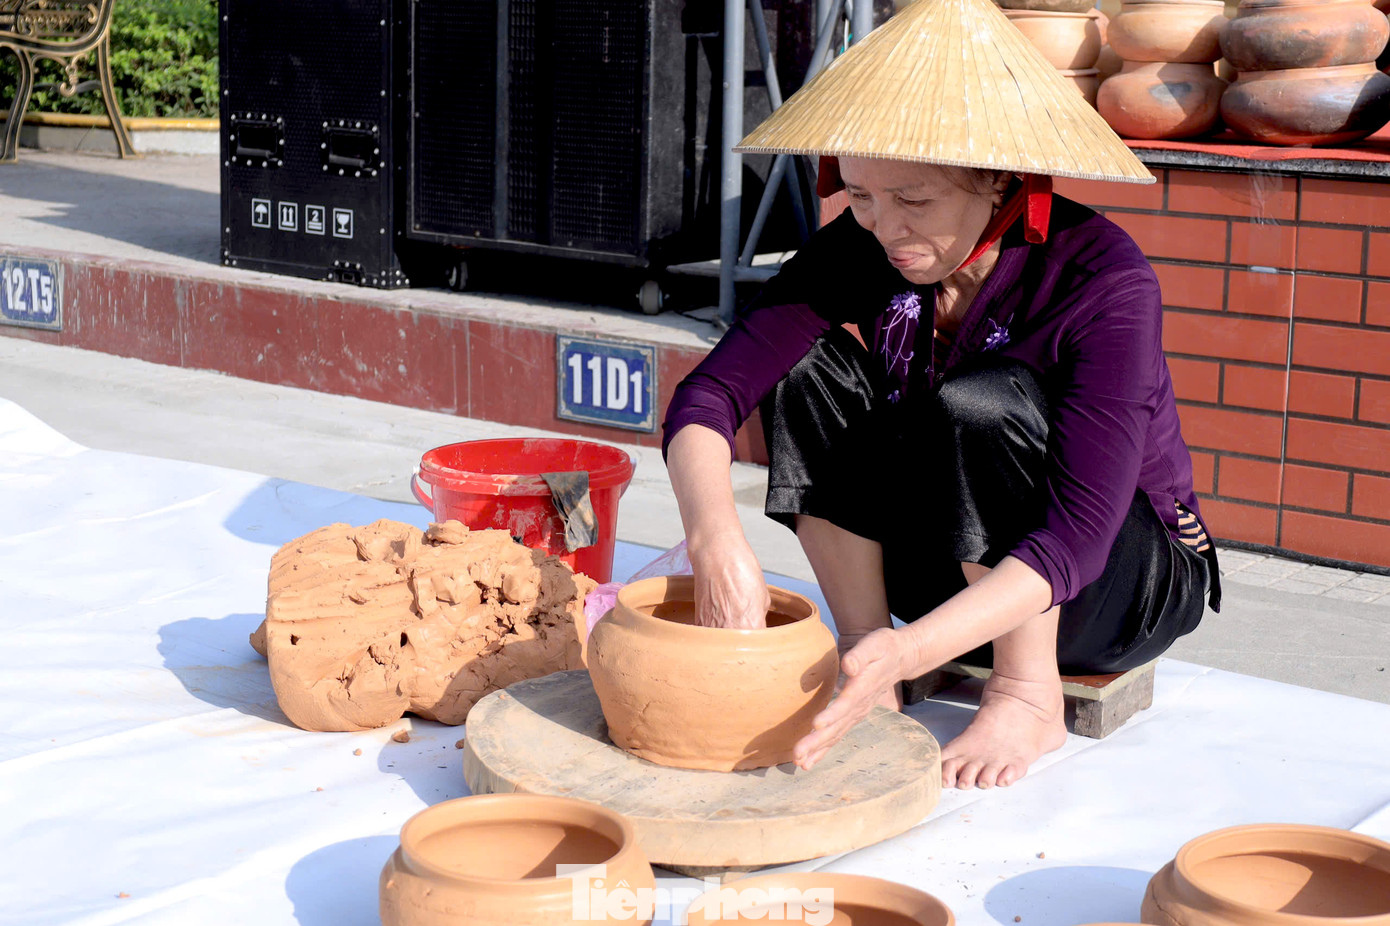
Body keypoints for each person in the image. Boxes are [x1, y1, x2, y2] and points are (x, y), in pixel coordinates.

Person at [660, 0, 1221, 791]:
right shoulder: (859, 244)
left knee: (982, 403)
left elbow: (1080, 535)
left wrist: (917, 646)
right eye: (858, 196)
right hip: (952, 570)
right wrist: (714, 539)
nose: (883, 226)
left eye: (913, 202)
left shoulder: (1103, 277)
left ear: (995, 179)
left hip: (1113, 588)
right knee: (804, 370)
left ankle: (1026, 695)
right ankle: (868, 659)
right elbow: (710, 397)